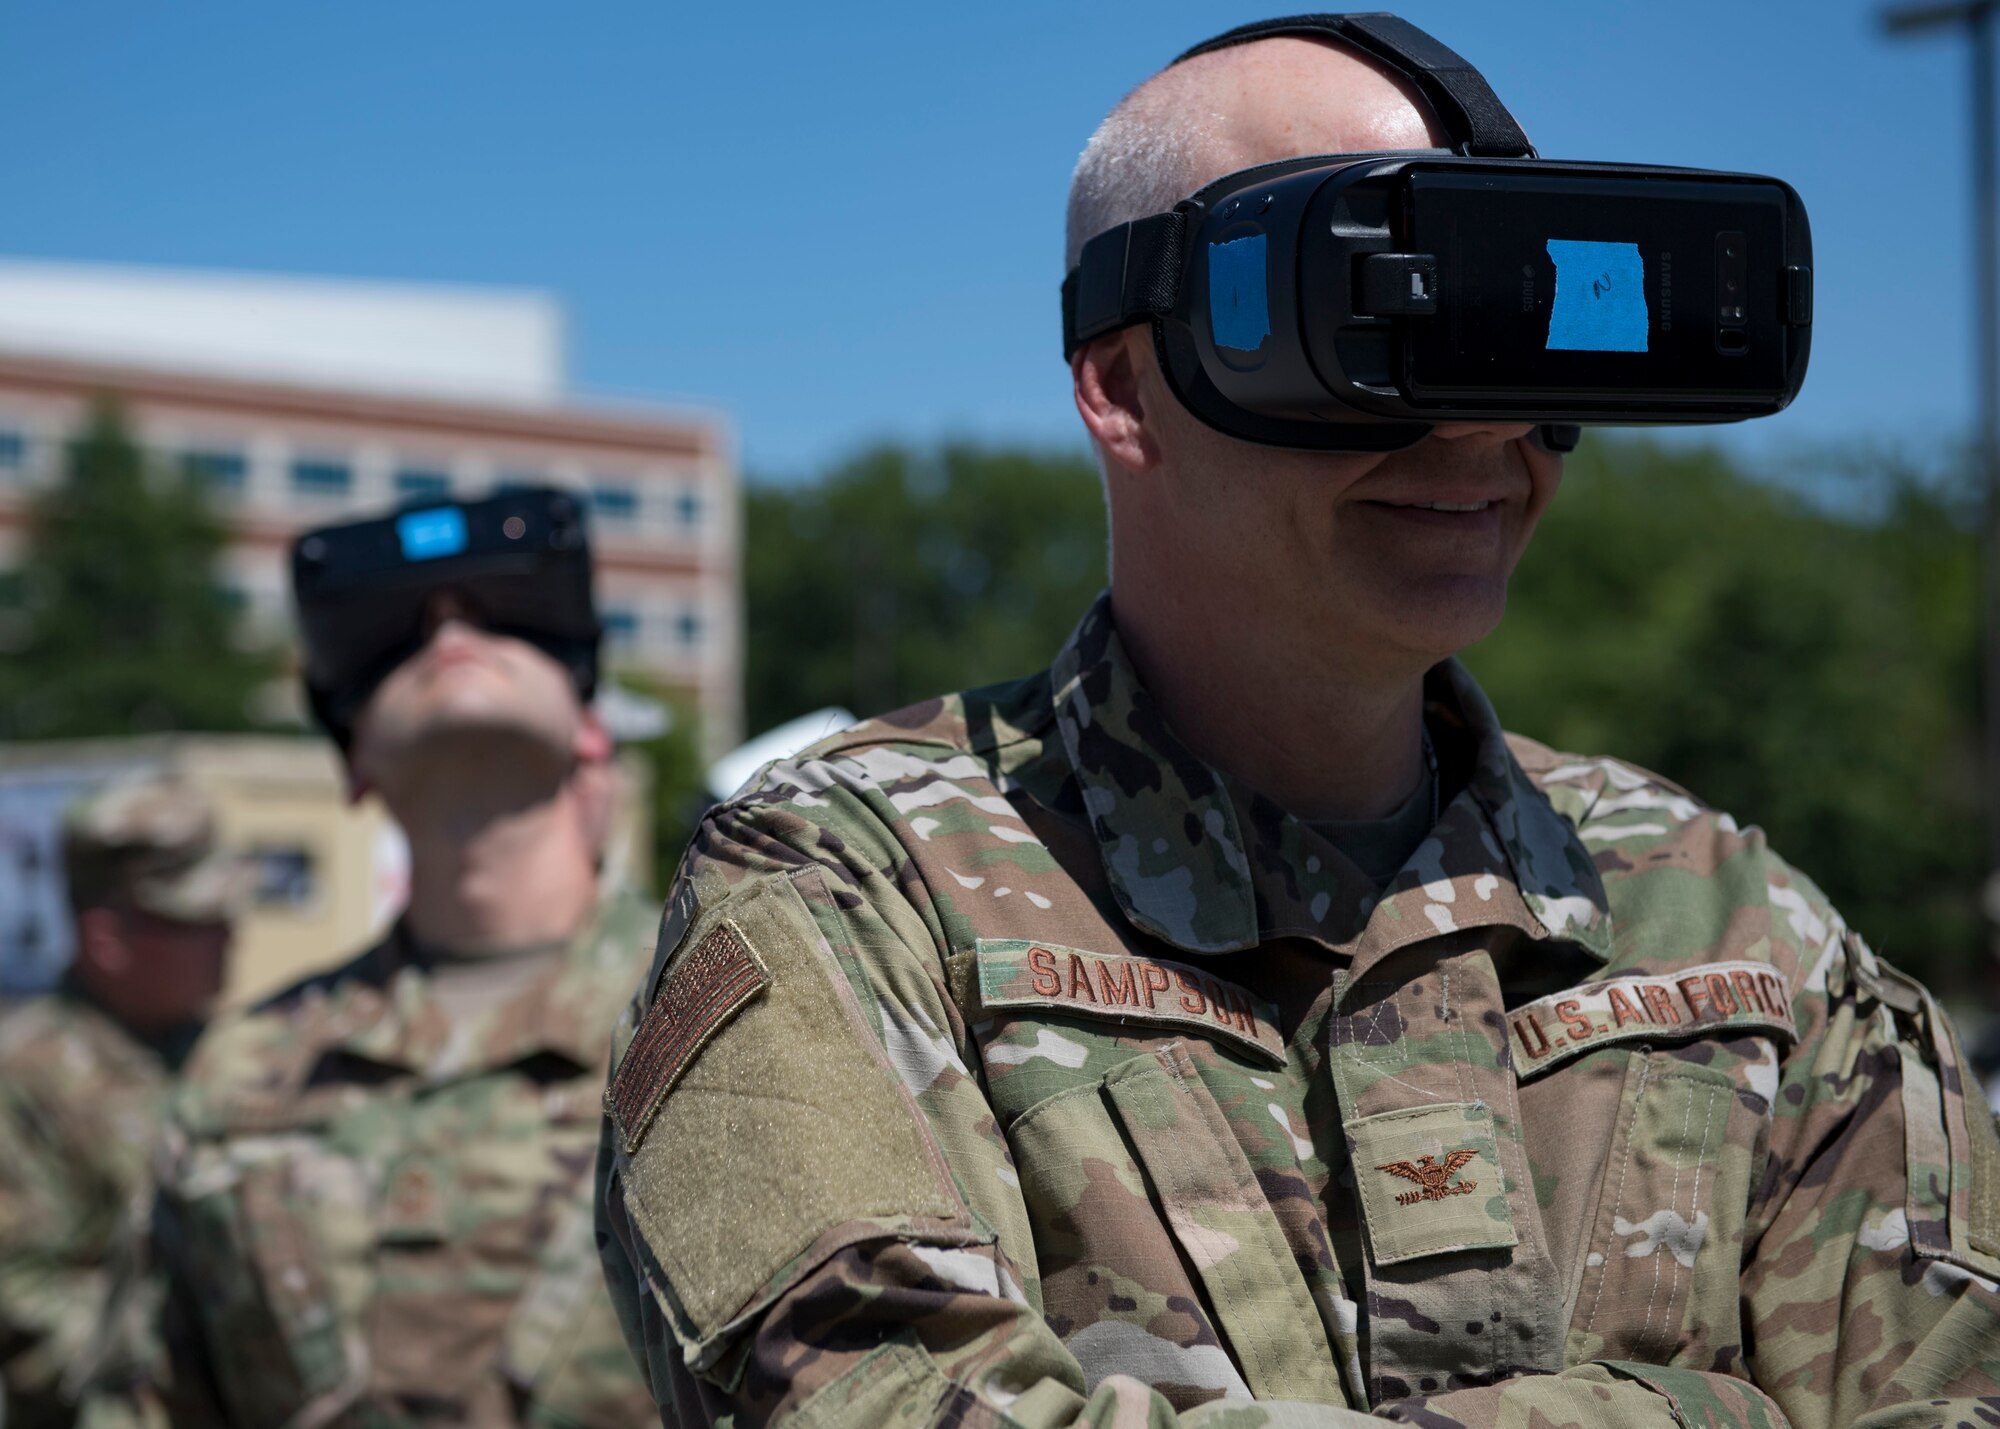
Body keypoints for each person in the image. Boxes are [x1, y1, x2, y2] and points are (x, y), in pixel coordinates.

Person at [595, 20, 2000, 1429]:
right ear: (1127, 384)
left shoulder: (1735, 922)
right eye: (1378, 323)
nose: (1474, 431)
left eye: (1520, 345)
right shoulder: (850, 884)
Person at [137, 489, 658, 1427]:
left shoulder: (740, 1012)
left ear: (592, 729)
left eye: (505, 618)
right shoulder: (239, 1076)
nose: (448, 626)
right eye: (393, 645)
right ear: (354, 762)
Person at [0, 773, 241, 1429]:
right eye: (196, 920)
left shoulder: (238, 1054)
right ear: (108, 938)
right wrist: (180, 1370)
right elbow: (20, 1294)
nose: (228, 934)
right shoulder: (27, 1074)